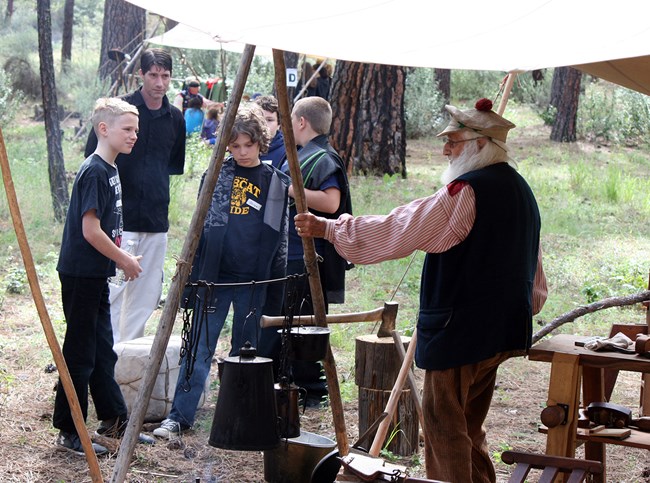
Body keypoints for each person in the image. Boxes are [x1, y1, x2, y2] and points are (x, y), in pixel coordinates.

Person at [294, 98, 548, 482]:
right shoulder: (519, 188)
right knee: (467, 424)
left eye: (453, 142)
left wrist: (330, 229)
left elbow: (400, 228)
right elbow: (534, 268)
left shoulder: (467, 190)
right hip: (502, 330)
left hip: (463, 331)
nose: (445, 150)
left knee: (445, 424)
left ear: (481, 144)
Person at [153, 105, 290, 438]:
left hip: (254, 279)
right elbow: (198, 228)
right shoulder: (216, 176)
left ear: (261, 142)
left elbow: (281, 236)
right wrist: (192, 274)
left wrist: (277, 282)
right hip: (214, 277)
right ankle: (179, 417)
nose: (242, 152)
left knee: (246, 348)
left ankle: (238, 413)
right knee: (198, 346)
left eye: (248, 145)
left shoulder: (276, 182)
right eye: (235, 145)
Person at [54, 98, 150, 455]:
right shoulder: (94, 170)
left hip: (96, 273)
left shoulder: (110, 168)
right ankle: (69, 430)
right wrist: (124, 259)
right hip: (80, 272)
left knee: (101, 350)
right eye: (127, 129)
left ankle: (114, 420)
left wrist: (119, 259)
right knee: (80, 354)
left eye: (136, 130)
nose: (134, 136)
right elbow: (91, 230)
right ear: (103, 129)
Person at [84, 48, 186, 345]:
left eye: (165, 75)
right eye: (153, 74)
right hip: (118, 218)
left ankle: (128, 360)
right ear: (141, 74)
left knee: (146, 295)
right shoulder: (121, 111)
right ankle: (107, 360)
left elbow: (172, 166)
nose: (159, 82)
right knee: (113, 292)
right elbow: (95, 155)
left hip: (156, 220)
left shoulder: (175, 119)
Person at [259, 96, 352, 407]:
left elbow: (331, 203)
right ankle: (284, 378)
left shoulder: (323, 157)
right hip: (289, 252)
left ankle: (312, 389)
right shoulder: (300, 154)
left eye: (290, 121)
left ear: (301, 122)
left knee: (304, 323)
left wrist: (290, 189)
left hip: (309, 253)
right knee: (287, 318)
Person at [255, 95, 286, 168]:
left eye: (269, 120)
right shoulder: (243, 148)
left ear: (278, 124)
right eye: (260, 119)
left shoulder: (287, 152)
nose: (264, 124)